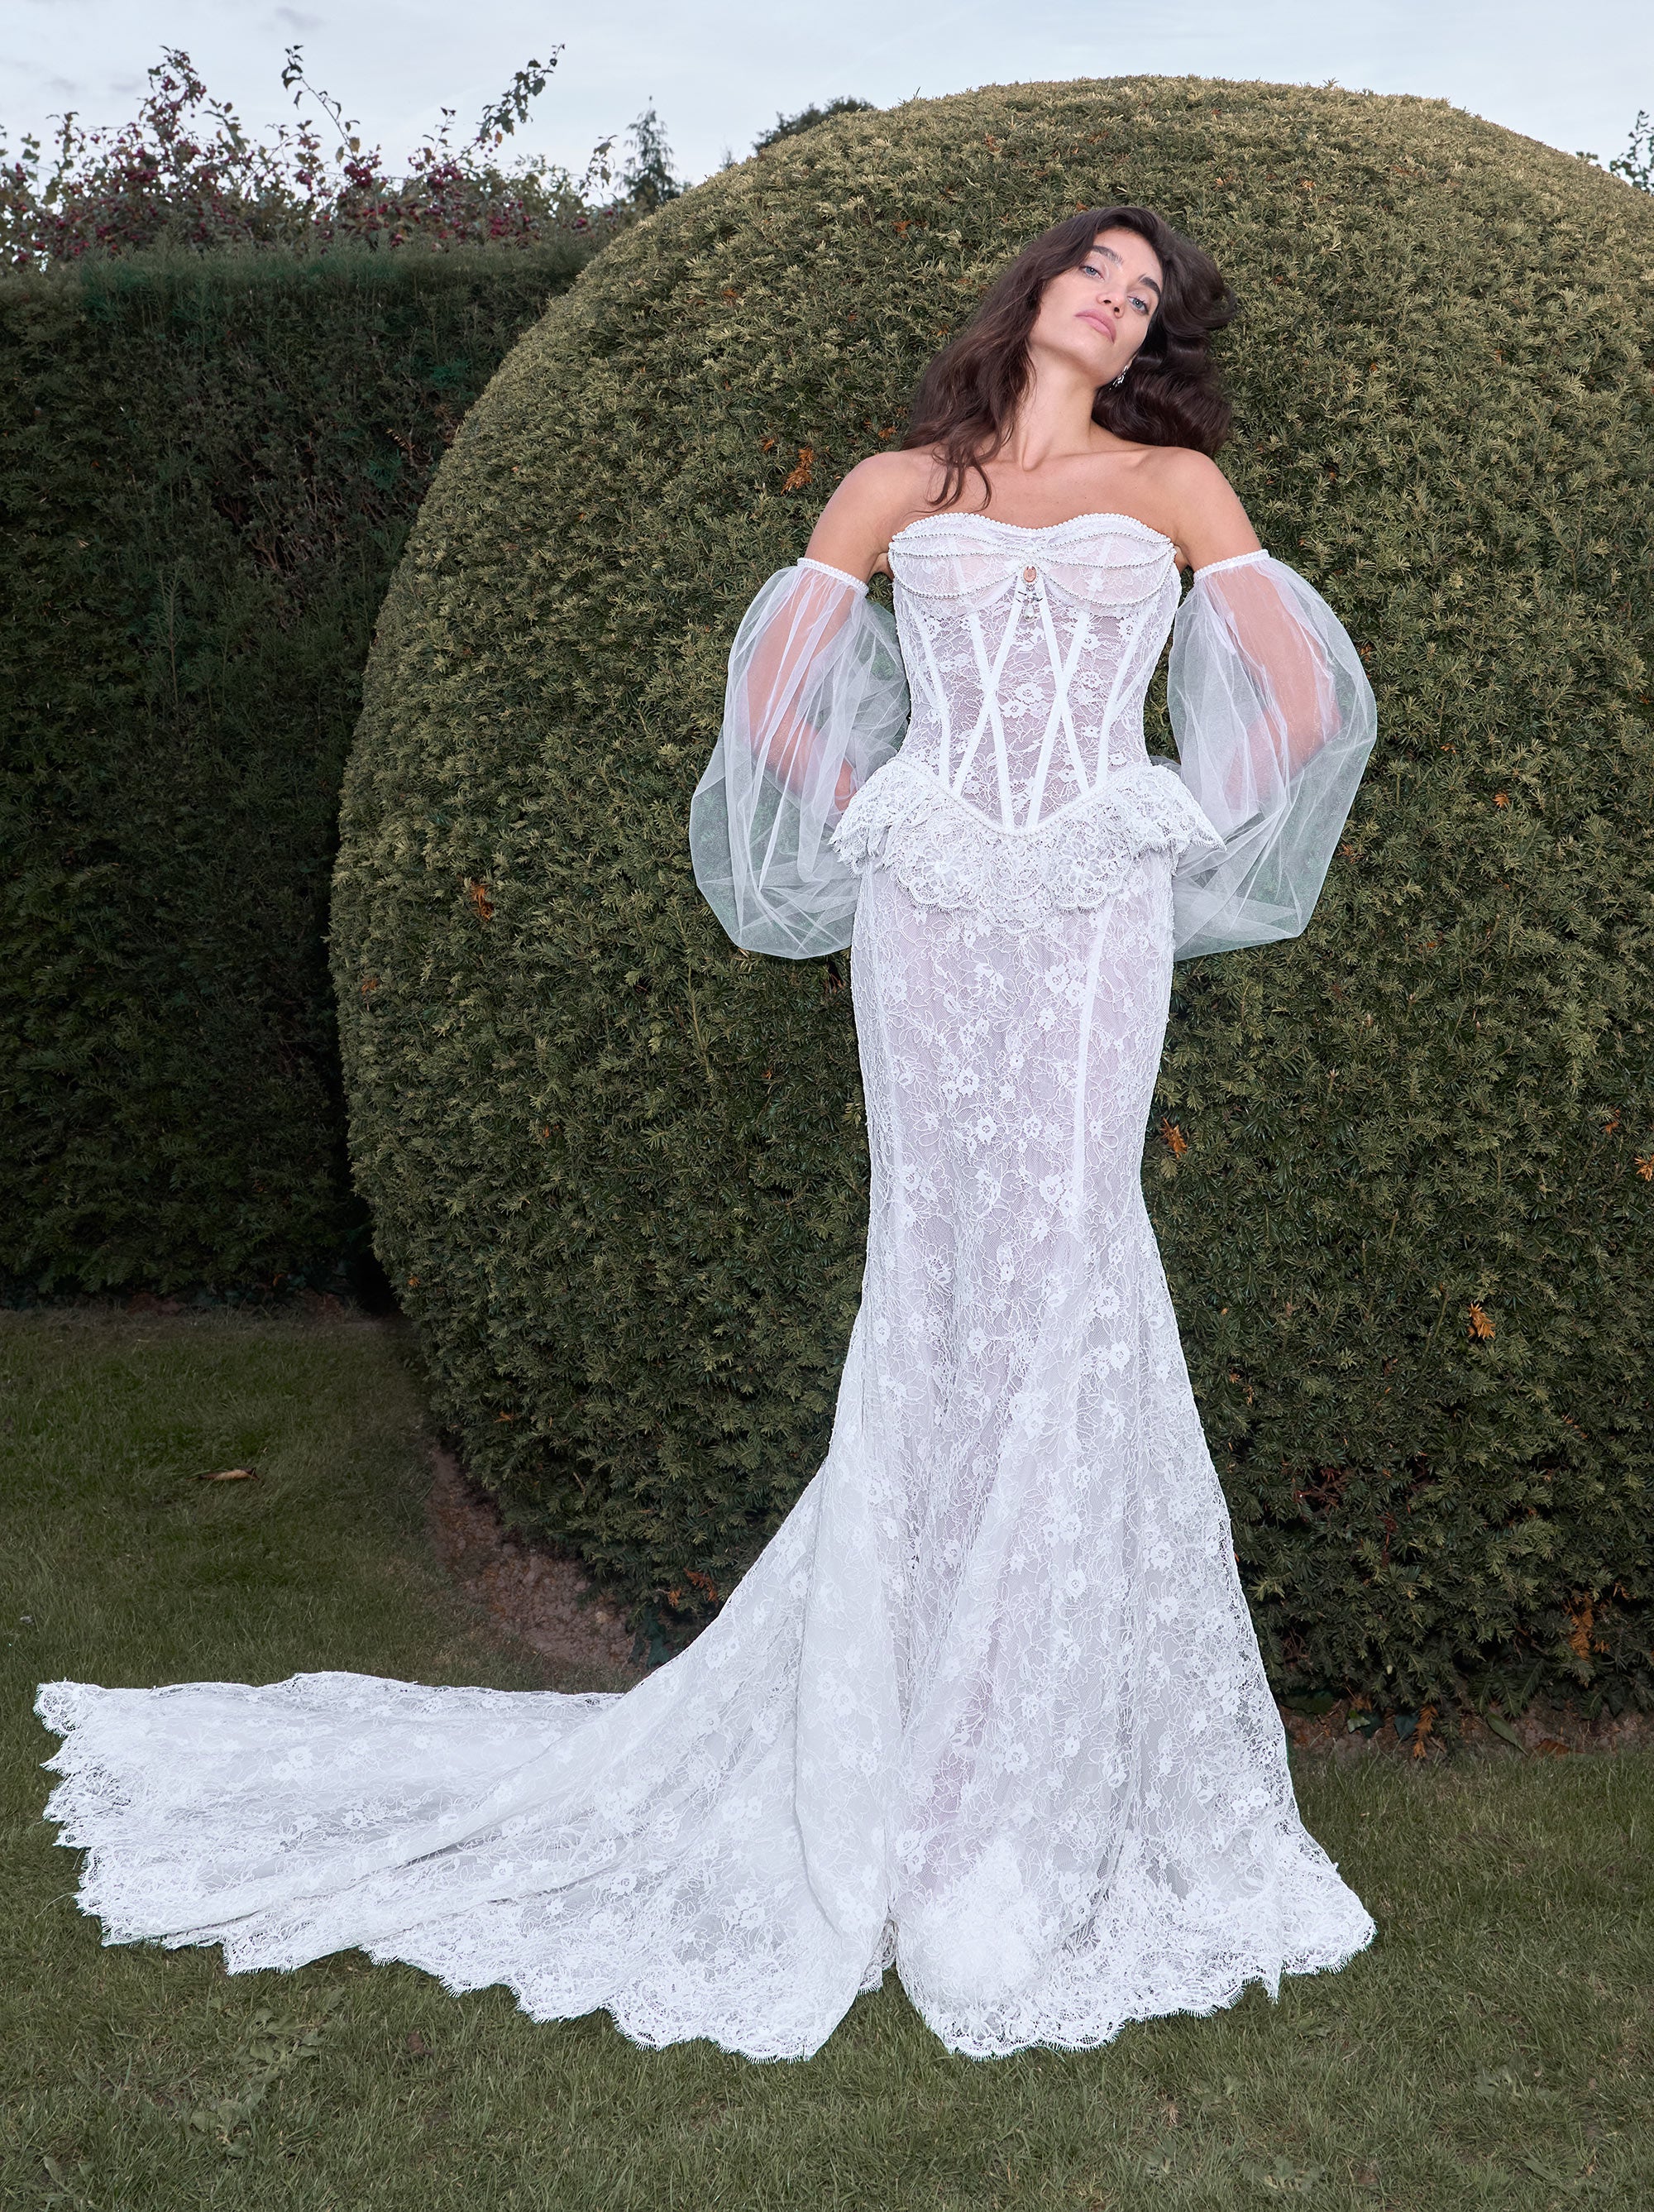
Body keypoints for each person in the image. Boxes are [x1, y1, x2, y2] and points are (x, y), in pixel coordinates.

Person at [38, 206, 1376, 2065]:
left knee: (1070, 1257)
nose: (1116, 300)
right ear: (1034, 289)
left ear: (1149, 343)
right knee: (937, 1269)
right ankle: (904, 1726)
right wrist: (886, 805)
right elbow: (772, 692)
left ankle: (1019, 1757)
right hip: (924, 916)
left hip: (1090, 921)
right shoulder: (900, 483)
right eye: (1098, 268)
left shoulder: (1171, 484)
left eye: (1144, 296)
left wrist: (1149, 826)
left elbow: (1298, 703)